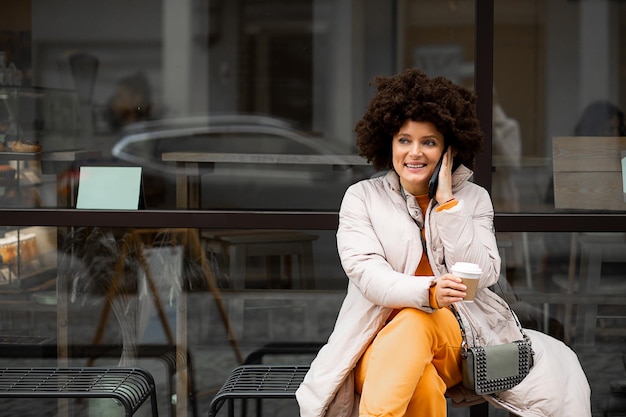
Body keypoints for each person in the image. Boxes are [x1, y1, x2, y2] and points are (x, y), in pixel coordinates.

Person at [296, 68, 591, 417]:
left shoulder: (474, 199)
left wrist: (449, 205)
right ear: (388, 142)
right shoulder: (361, 197)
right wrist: (429, 292)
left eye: (429, 142)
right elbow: (367, 273)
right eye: (404, 140)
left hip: (454, 340)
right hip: (374, 343)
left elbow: (484, 273)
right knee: (421, 381)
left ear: (449, 149)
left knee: (417, 322)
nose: (414, 152)